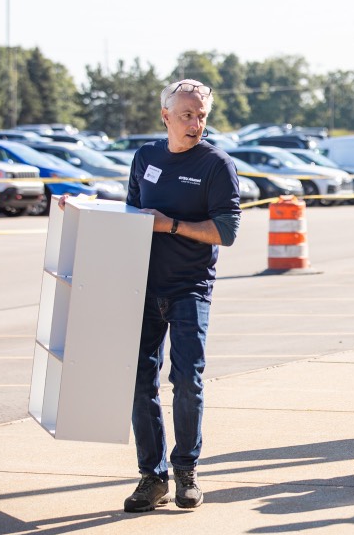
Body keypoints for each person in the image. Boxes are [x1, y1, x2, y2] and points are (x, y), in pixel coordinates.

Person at [62, 79, 241, 512]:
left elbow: (227, 232)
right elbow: (131, 217)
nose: (196, 124)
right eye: (187, 115)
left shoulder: (217, 165)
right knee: (139, 382)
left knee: (187, 383)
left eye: (201, 116)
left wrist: (172, 225)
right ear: (165, 116)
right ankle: (152, 476)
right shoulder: (146, 158)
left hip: (189, 290)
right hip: (141, 290)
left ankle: (186, 474)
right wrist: (86, 211)